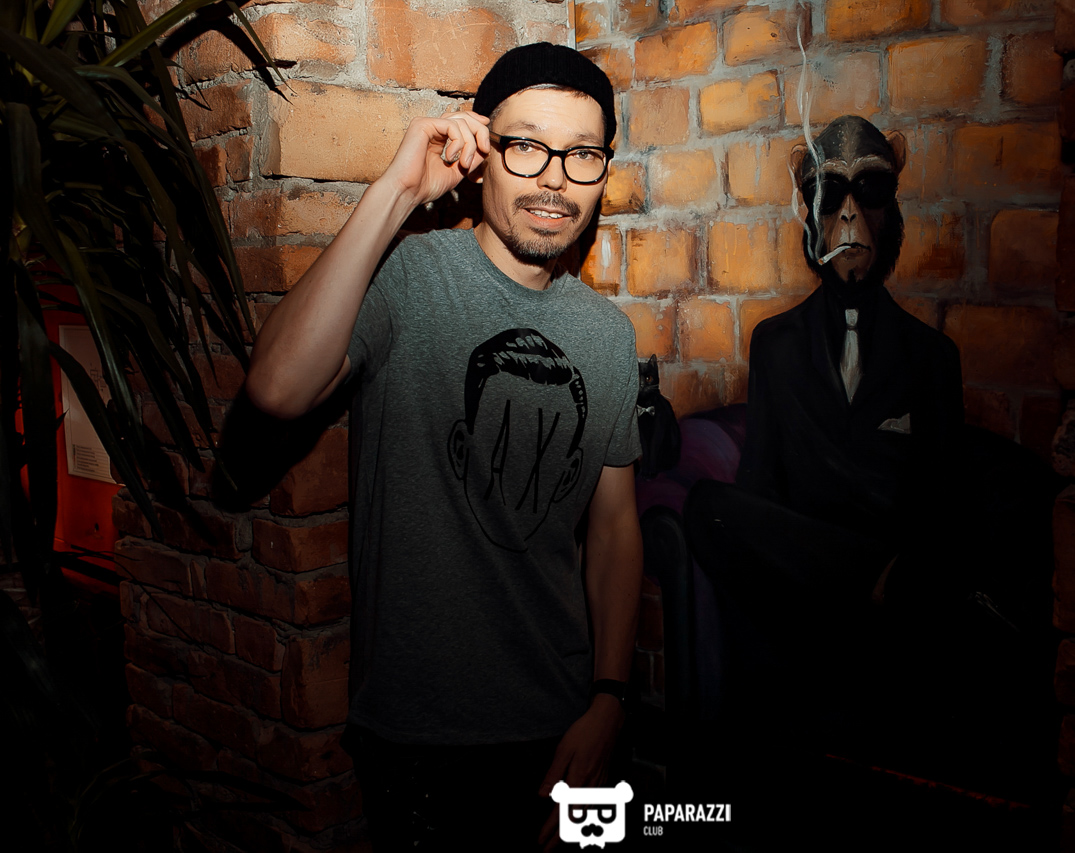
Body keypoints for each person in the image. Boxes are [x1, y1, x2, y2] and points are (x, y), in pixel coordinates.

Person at [244, 42, 643, 851]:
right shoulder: (411, 277)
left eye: (582, 154)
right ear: (482, 150)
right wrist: (399, 190)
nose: (555, 179)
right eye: (526, 146)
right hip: (418, 737)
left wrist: (610, 696)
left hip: (565, 724)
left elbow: (614, 529)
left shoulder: (608, 333)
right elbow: (276, 389)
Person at [682, 115, 965, 733]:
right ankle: (873, 577)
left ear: (891, 210)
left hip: (892, 618)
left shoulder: (932, 359)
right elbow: (759, 492)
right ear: (809, 214)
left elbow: (944, 511)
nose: (848, 214)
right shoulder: (775, 345)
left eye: (870, 191)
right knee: (709, 508)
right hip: (805, 589)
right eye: (828, 194)